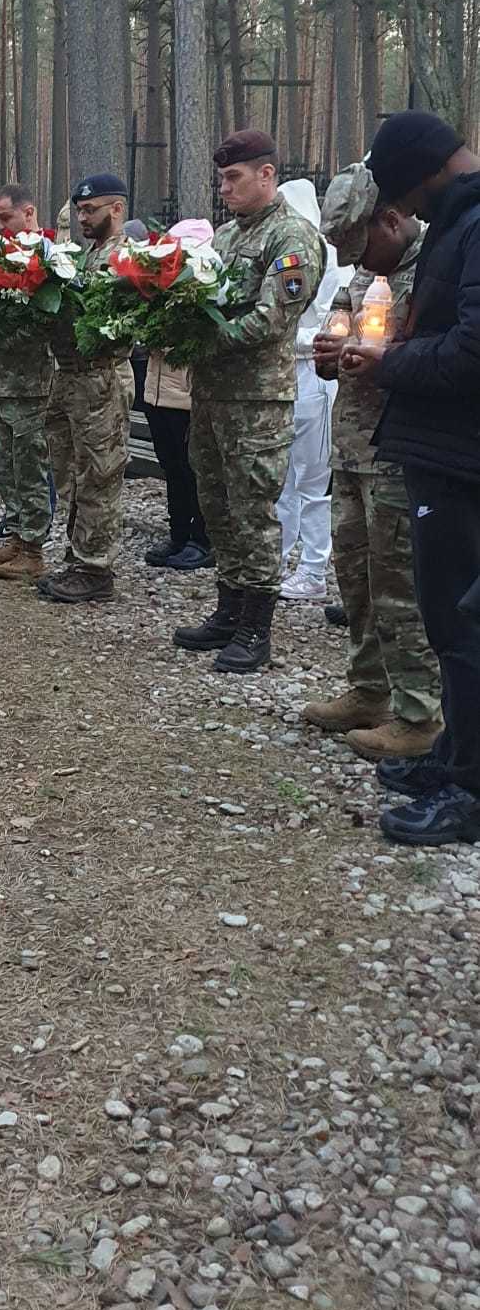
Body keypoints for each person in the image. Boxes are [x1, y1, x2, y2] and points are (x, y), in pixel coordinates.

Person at [340, 111, 480, 845]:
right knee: (445, 617)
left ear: (428, 172)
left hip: (463, 458)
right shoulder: (458, 223)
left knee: (462, 628)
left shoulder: (475, 222)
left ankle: (470, 792)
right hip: (441, 453)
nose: (409, 211)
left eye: (407, 194)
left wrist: (390, 364)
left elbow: (470, 352)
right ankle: (455, 755)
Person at [303, 160, 441, 762]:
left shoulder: (438, 268)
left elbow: (441, 355)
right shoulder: (361, 271)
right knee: (356, 576)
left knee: (399, 584)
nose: (358, 259)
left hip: (402, 452)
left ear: (393, 219)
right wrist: (330, 353)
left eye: (363, 244)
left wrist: (385, 356)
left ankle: (420, 713)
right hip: (353, 448)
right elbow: (336, 329)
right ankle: (369, 690)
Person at [173, 129, 324, 672]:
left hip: (258, 401)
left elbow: (272, 318)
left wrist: (202, 341)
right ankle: (228, 611)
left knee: (253, 511)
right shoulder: (227, 238)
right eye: (221, 180)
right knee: (216, 505)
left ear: (266, 174)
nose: (224, 189)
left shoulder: (293, 238)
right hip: (213, 395)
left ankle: (257, 629)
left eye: (233, 178)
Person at [39, 172, 135, 604]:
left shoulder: (127, 259)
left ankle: (96, 567)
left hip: (101, 375)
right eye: (79, 210)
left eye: (89, 210)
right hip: (69, 375)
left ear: (116, 209)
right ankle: (78, 555)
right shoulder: (87, 254)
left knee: (99, 471)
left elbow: (121, 323)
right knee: (69, 469)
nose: (82, 218)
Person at [0, 183, 54, 582]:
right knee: (6, 465)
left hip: (31, 382)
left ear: (29, 212)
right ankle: (17, 535)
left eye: (6, 218)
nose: (0, 227)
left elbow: (41, 323)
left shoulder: (47, 258)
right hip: (1, 380)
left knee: (29, 465)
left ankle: (34, 548)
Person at [275, 177, 351, 600]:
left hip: (314, 376)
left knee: (313, 479)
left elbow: (328, 324)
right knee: (282, 477)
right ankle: (279, 556)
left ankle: (314, 566)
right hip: (283, 373)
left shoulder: (331, 260)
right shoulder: (284, 255)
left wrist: (285, 339)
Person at [142, 352, 211, 570]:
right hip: (156, 392)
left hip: (186, 396)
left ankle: (202, 538)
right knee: (171, 468)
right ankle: (179, 533)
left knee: (193, 469)